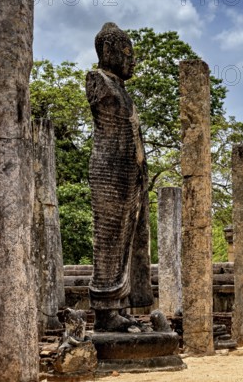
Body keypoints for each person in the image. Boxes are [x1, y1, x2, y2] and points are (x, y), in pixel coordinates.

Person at [87, 22, 153, 332]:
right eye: (128, 53)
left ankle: (120, 305)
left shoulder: (122, 90)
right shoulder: (98, 81)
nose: (133, 60)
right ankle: (104, 309)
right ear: (110, 51)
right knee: (109, 238)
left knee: (129, 239)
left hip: (130, 172)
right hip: (110, 171)